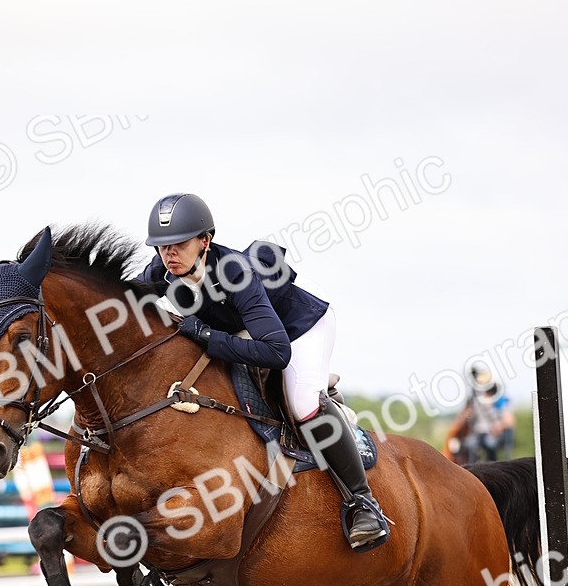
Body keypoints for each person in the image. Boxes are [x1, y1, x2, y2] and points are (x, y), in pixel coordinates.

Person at [136, 192, 390, 552]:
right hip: (245, 328)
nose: (169, 254)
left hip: (298, 325)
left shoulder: (236, 274)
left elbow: (277, 352)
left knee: (303, 404)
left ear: (205, 241)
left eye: (179, 244)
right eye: (162, 247)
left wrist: (206, 335)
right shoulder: (161, 272)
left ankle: (364, 503)